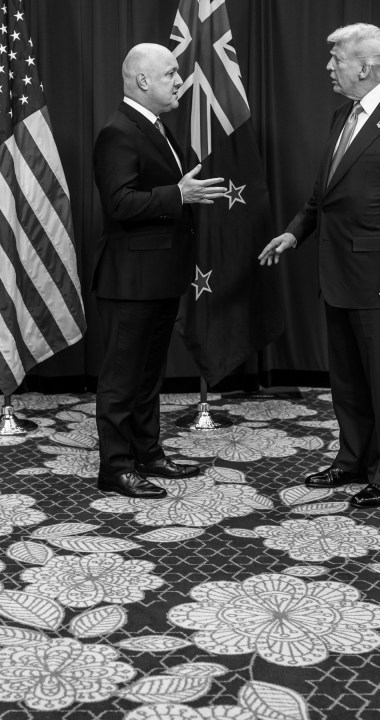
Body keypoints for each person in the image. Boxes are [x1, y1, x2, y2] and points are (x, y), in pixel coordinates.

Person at [259, 23, 380, 508]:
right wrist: (296, 231)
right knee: (346, 378)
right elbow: (325, 194)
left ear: (364, 66)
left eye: (336, 58)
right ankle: (352, 459)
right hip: (336, 270)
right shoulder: (344, 114)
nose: (328, 67)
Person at [92, 43, 228, 499]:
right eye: (170, 73)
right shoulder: (118, 132)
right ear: (143, 81)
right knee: (121, 379)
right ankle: (115, 467)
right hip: (130, 281)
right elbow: (119, 203)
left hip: (161, 277)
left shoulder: (158, 129)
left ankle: (148, 453)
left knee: (148, 375)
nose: (179, 81)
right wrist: (178, 196)